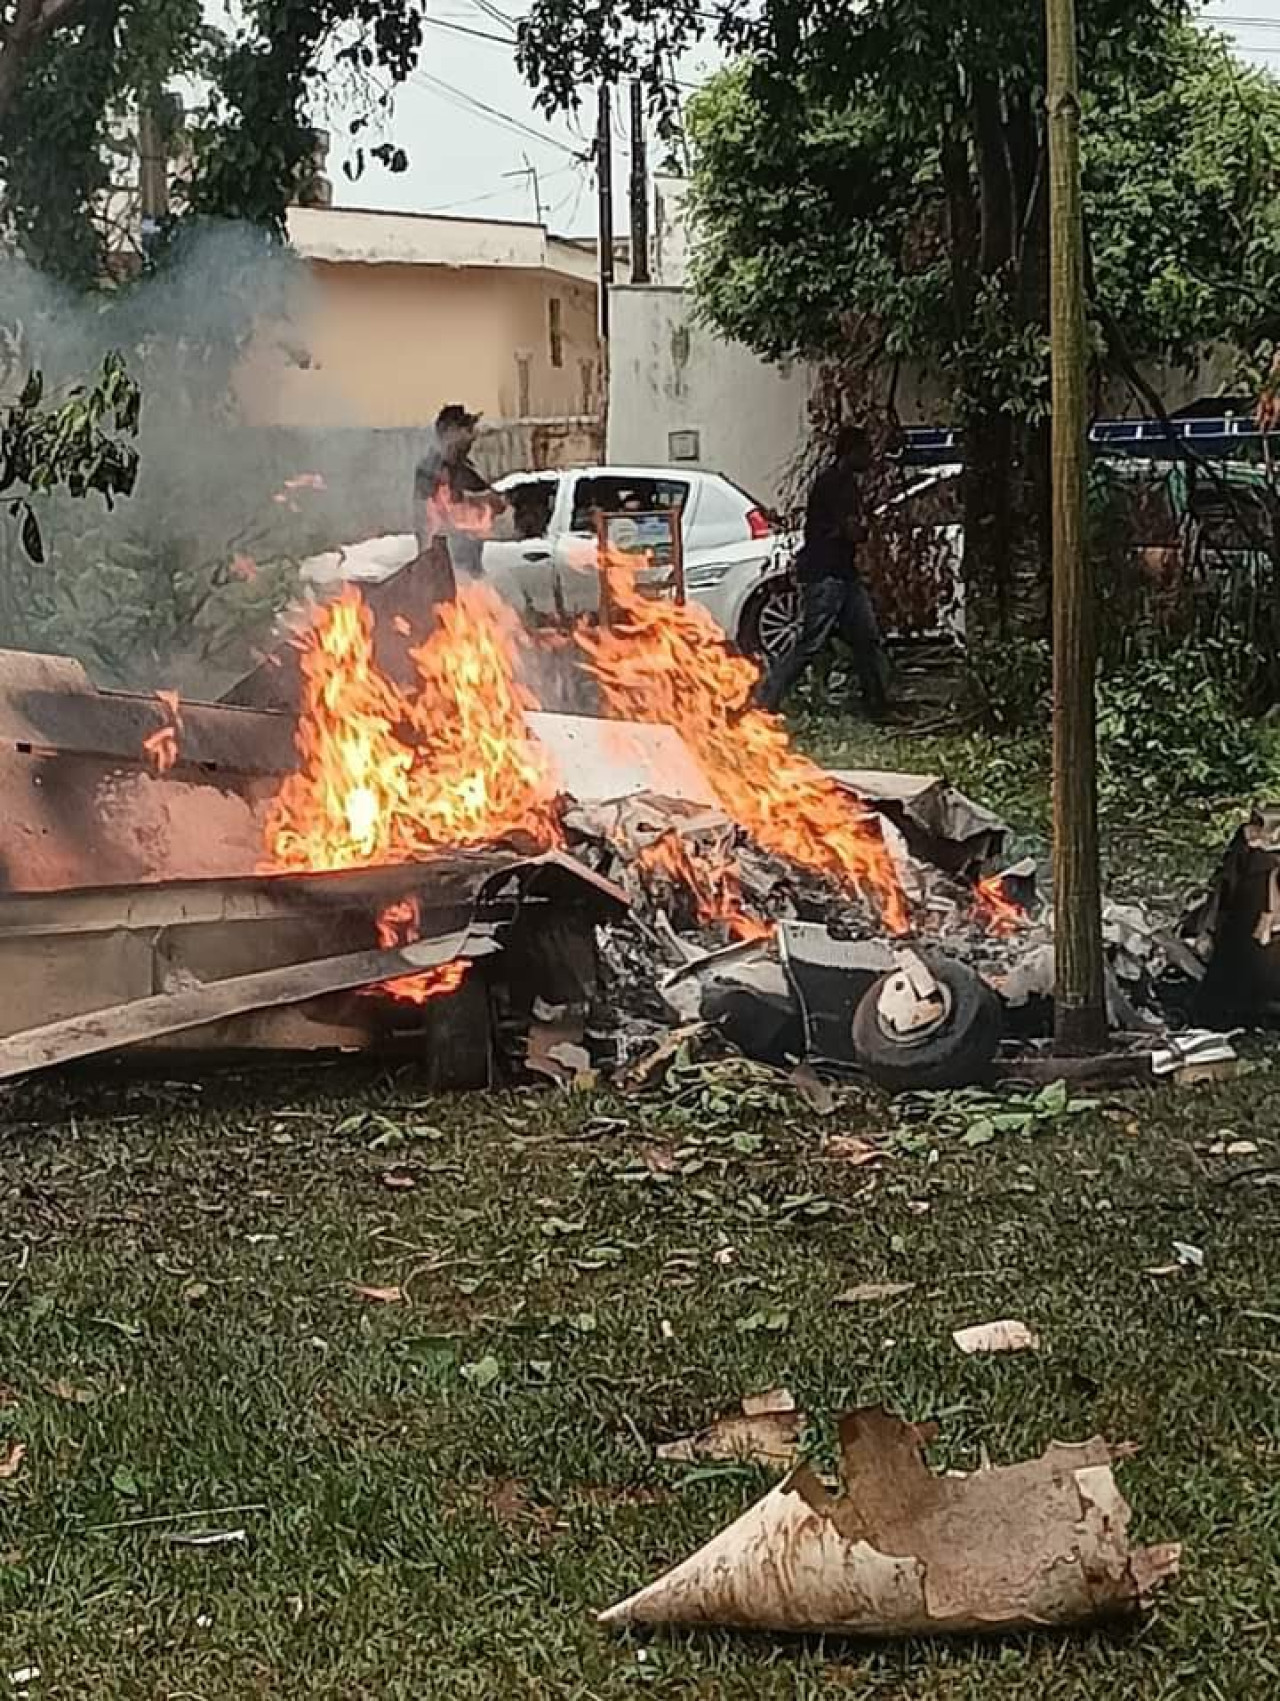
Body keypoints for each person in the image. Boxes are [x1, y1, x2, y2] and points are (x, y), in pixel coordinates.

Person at [756, 423, 891, 717]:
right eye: (865, 450)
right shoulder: (834, 484)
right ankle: (766, 701)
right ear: (850, 452)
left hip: (843, 573)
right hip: (824, 574)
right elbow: (852, 530)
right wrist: (864, 528)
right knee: (810, 643)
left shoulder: (845, 482)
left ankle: (878, 707)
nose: (870, 457)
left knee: (866, 639)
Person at [411, 402, 506, 604]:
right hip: (447, 569)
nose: (472, 437)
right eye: (467, 430)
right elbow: (432, 518)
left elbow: (491, 499)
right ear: (450, 432)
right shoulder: (434, 469)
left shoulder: (460, 467)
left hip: (466, 565)